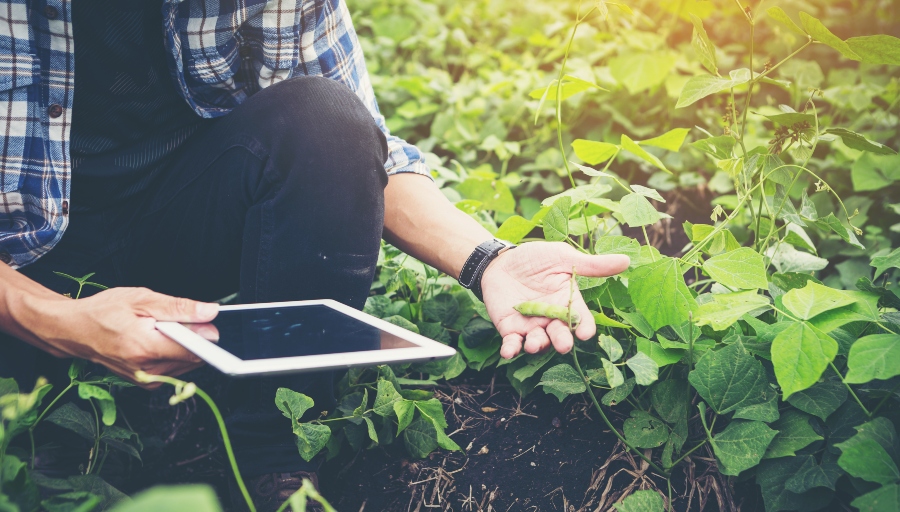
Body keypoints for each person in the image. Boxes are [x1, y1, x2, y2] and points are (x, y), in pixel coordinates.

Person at [0, 0, 629, 509]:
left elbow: (358, 146)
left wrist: (487, 260)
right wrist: (57, 323)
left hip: (179, 235)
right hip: (21, 271)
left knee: (326, 119)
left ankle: (269, 452)